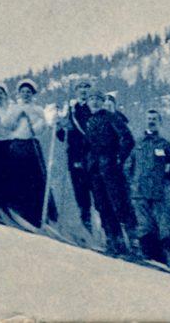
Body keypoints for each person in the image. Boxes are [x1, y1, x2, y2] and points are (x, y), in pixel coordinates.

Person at [124, 108, 170, 276]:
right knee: (145, 227)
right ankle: (152, 258)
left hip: (160, 193)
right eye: (149, 118)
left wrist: (169, 175)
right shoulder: (138, 144)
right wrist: (133, 183)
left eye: (155, 119)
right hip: (140, 194)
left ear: (160, 122)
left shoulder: (165, 144)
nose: (151, 121)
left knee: (167, 227)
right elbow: (127, 166)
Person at [0, 82, 52, 227]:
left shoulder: (35, 109)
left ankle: (37, 215)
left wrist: (36, 124)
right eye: (23, 91)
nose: (26, 94)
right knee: (10, 178)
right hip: (6, 145)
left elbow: (41, 128)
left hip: (25, 144)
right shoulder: (10, 108)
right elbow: (6, 124)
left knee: (32, 179)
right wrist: (17, 114)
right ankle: (4, 209)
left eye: (29, 92)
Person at [84, 90, 137, 256]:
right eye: (91, 99)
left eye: (97, 99)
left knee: (119, 203)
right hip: (95, 169)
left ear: (102, 102)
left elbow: (127, 139)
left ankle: (133, 242)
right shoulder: (89, 121)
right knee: (102, 205)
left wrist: (118, 157)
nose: (94, 102)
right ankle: (113, 241)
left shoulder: (111, 117)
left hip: (111, 167)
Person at [56, 78, 94, 231]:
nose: (83, 90)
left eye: (86, 87)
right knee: (81, 193)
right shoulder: (71, 110)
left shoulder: (95, 108)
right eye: (80, 87)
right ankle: (87, 227)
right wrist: (60, 127)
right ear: (76, 91)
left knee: (99, 194)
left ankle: (107, 230)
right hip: (75, 156)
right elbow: (63, 137)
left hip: (93, 157)